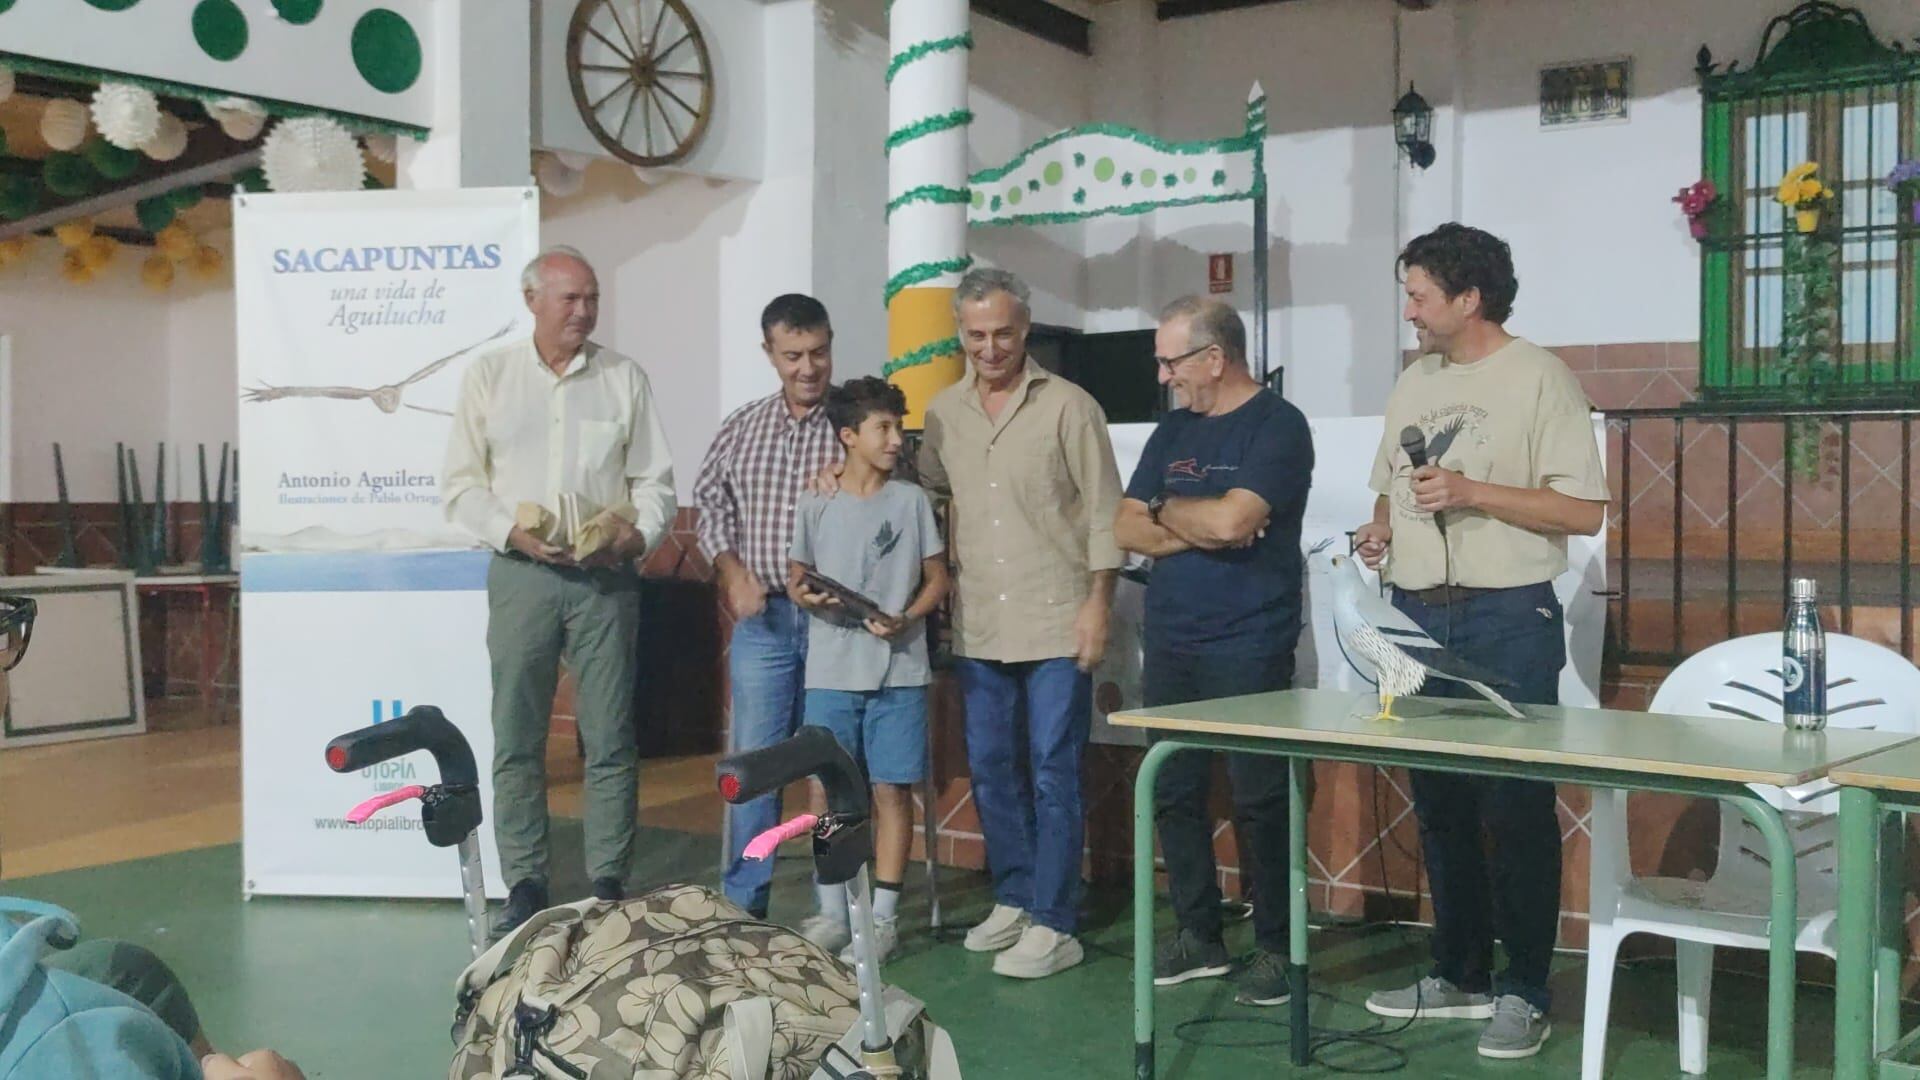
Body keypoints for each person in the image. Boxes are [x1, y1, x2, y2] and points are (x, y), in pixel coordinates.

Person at [1355, 223, 1607, 1059]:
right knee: (1441, 807)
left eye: (1421, 295)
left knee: (1515, 808)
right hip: (1415, 618)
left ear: (1470, 299)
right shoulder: (1414, 381)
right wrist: (1380, 530)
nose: (1410, 310)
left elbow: (1581, 512)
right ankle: (1458, 972)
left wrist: (1471, 489)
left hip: (1508, 618)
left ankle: (1525, 988)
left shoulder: (1541, 378)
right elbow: (1389, 487)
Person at [443, 245, 677, 934]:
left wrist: (636, 538)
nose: (583, 311)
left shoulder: (623, 378)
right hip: (522, 576)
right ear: (532, 301)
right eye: (570, 299)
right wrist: (510, 534)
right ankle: (525, 880)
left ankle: (607, 879)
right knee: (516, 736)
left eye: (592, 298)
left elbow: (655, 483)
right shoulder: (490, 376)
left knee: (609, 738)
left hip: (605, 582)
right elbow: (461, 483)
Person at [918, 267, 1124, 979]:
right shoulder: (943, 414)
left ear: (1026, 328)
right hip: (978, 624)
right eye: (976, 335)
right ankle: (1013, 896)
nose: (991, 346)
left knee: (1053, 771)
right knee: (993, 769)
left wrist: (1099, 602)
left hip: (1055, 618)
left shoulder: (1070, 407)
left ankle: (1055, 919)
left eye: (1003, 332)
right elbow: (925, 497)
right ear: (961, 335)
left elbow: (1106, 512)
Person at [1112, 297, 1312, 1007]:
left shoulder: (1278, 427)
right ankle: (1199, 934)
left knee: (1261, 795)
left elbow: (1238, 520)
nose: (1165, 376)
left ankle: (1281, 949)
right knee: (1173, 787)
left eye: (1172, 361)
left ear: (1215, 359)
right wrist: (1189, 519)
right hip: (1173, 635)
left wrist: (1177, 512)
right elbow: (1127, 526)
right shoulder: (1173, 430)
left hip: (1250, 637)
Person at [785, 377, 948, 962]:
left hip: (900, 670)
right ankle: (832, 908)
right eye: (882, 427)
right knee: (829, 792)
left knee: (891, 791)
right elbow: (796, 578)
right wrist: (810, 600)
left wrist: (908, 617)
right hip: (830, 669)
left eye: (898, 427)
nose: (895, 439)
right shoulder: (815, 501)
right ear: (848, 436)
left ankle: (882, 919)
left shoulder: (911, 501)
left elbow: (937, 579)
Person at [693, 294, 843, 918]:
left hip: (838, 625)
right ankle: (742, 902)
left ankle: (837, 908)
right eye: (793, 356)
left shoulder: (857, 426)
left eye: (818, 353)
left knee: (835, 764)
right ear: (769, 354)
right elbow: (709, 504)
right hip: (765, 623)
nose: (808, 368)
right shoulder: (742, 426)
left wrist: (857, 478)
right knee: (754, 768)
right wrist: (731, 571)